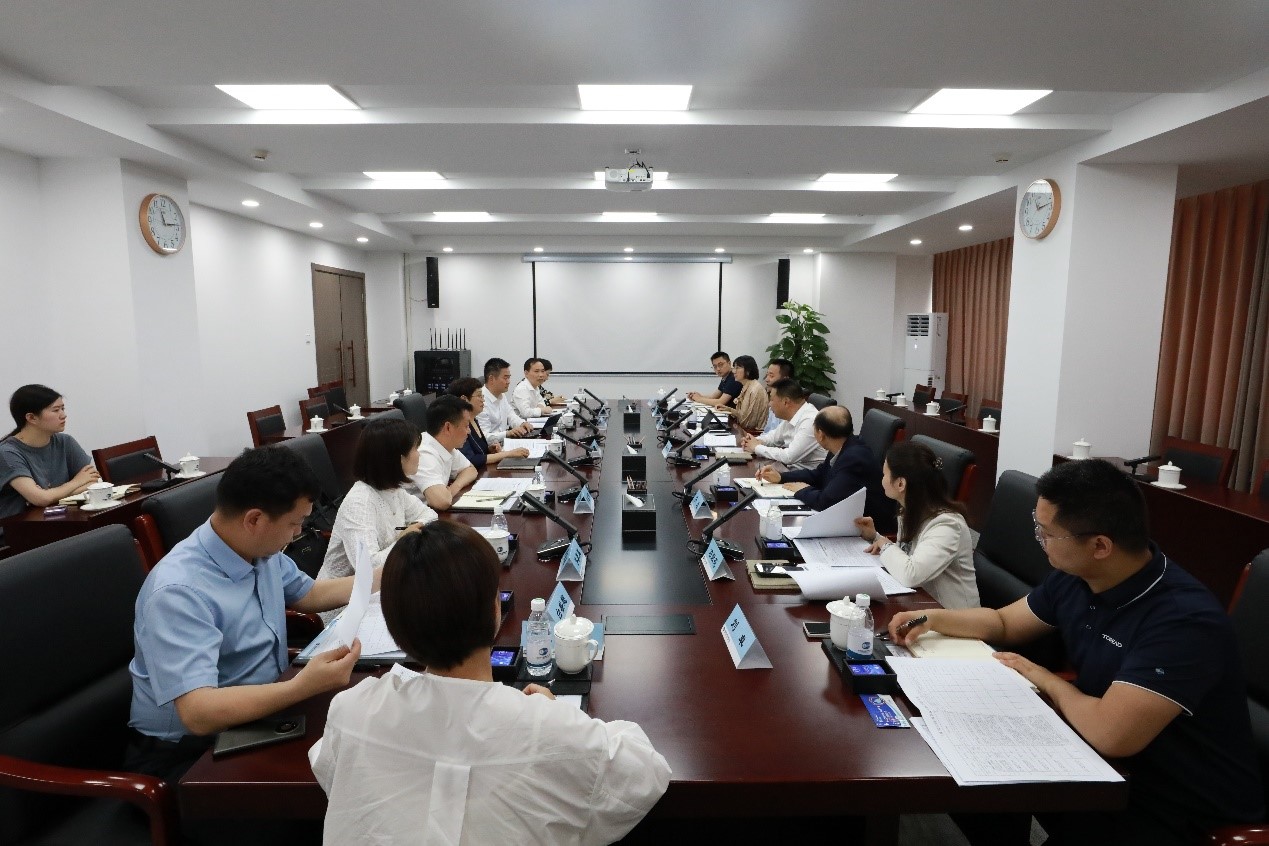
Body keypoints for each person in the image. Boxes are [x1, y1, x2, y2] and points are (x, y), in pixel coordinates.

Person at [888, 459, 1263, 843]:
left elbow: (1112, 734)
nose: (1039, 540)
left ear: (1100, 545)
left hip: (1174, 802)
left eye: (1047, 533)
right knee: (973, 785)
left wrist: (1046, 679)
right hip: (1099, 764)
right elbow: (1004, 622)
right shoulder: (1080, 578)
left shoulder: (1182, 621)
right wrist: (932, 619)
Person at [309, 521, 671, 844]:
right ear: (495, 609)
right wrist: (560, 715)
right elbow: (646, 773)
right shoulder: (548, 727)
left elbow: (330, 766)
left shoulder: (352, 711)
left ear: (394, 627)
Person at [127, 446, 372, 783]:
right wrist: (301, 686)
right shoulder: (178, 591)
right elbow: (198, 713)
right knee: (335, 781)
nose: (297, 533)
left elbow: (311, 594)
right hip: (189, 750)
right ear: (254, 519)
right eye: (294, 523)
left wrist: (385, 576)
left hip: (263, 708)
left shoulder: (256, 549)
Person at [315, 416, 436, 622]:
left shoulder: (393, 489)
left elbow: (430, 515)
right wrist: (404, 539)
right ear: (398, 459)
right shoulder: (360, 502)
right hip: (344, 607)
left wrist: (412, 529)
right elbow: (369, 568)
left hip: (383, 589)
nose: (419, 455)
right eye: (415, 449)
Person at [852, 441, 974, 607]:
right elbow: (905, 554)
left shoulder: (947, 525)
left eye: (885, 474)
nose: (882, 479)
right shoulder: (909, 510)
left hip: (953, 616)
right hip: (921, 604)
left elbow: (911, 574)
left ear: (900, 484)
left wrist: (884, 544)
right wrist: (875, 537)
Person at [757, 406, 895, 532]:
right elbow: (819, 474)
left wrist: (802, 490)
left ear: (821, 434)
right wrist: (782, 477)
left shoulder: (854, 458)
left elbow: (825, 502)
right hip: (847, 519)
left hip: (873, 532)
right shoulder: (843, 446)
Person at [0, 384, 99, 524]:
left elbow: (92, 481)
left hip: (62, 519)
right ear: (31, 418)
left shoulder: (65, 441)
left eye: (63, 408)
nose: (63, 415)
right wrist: (77, 482)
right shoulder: (7, 452)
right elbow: (41, 499)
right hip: (20, 527)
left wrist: (49, 495)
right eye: (56, 410)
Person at [740, 378, 826, 470]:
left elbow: (789, 456)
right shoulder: (793, 415)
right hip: (790, 469)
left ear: (786, 402)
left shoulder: (810, 421)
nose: (769, 404)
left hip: (806, 475)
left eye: (771, 400)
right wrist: (755, 441)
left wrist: (756, 447)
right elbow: (774, 438)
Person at [410, 394, 479, 511]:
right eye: (466, 426)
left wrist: (453, 488)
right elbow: (441, 502)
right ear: (448, 428)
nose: (469, 431)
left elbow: (471, 470)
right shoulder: (424, 453)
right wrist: (447, 495)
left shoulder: (445, 445)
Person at [448, 377, 531, 469]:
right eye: (479, 396)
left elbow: (479, 450)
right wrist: (507, 454)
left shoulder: (474, 420)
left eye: (483, 396)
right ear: (464, 399)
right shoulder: (458, 425)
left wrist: (490, 450)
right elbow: (471, 459)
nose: (483, 400)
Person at [476, 357, 532, 445]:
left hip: (503, 443)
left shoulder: (501, 395)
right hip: (491, 448)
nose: (508, 382)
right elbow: (484, 437)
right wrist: (507, 433)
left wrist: (522, 423)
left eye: (509, 378)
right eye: (505, 378)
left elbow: (511, 415)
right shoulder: (480, 401)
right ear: (491, 379)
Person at [730, 354, 770, 431]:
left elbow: (749, 423)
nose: (733, 371)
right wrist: (728, 410)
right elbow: (743, 415)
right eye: (734, 367)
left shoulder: (755, 389)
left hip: (753, 433)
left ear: (748, 371)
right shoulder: (747, 386)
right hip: (745, 430)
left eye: (737, 368)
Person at [762, 359, 794, 433]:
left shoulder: (788, 405)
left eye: (771, 376)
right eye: (767, 375)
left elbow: (780, 438)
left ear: (785, 380)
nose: (766, 379)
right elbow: (768, 432)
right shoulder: (774, 399)